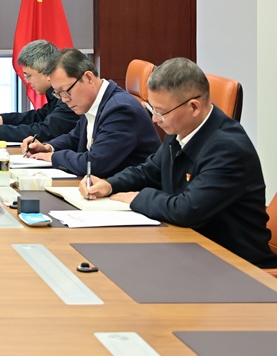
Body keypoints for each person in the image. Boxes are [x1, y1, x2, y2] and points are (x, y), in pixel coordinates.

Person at [80, 58, 277, 268]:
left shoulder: (228, 149)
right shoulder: (181, 129)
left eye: (161, 112)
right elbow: (149, 171)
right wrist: (110, 184)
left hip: (237, 265)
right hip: (192, 250)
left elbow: (187, 210)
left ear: (194, 107)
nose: (155, 119)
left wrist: (137, 198)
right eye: (152, 109)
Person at [21, 48, 159, 177]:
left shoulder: (120, 109)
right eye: (58, 94)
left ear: (88, 78)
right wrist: (48, 148)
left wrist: (53, 157)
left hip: (128, 191)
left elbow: (94, 164)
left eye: (65, 91)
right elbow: (75, 137)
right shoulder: (95, 101)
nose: (64, 99)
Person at [0, 39, 79, 143]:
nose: (27, 81)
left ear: (47, 72)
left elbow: (46, 131)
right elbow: (38, 117)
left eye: (29, 76)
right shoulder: (54, 95)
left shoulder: (69, 96)